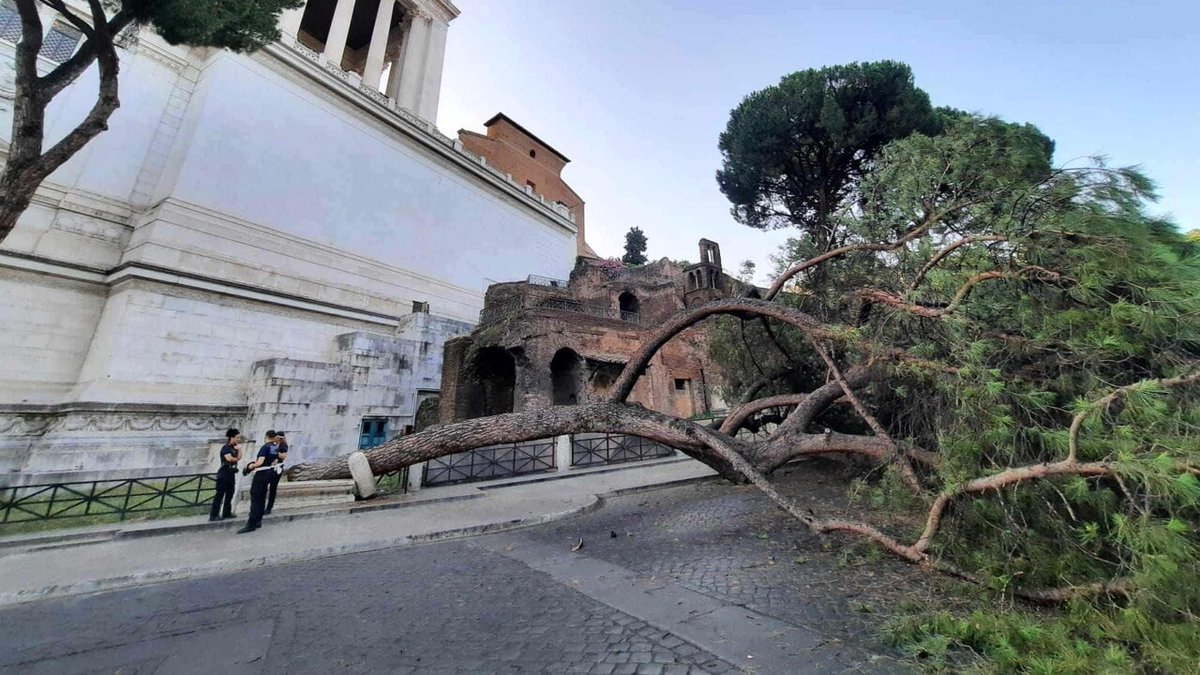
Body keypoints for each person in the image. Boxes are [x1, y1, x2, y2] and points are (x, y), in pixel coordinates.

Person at [238, 430, 281, 534]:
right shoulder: (275, 447)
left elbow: (260, 462)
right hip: (270, 472)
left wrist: (250, 466)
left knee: (256, 497)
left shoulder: (265, 447)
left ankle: (251, 523)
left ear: (266, 436)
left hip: (261, 473)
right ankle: (258, 520)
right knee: (262, 497)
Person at [209, 428, 242, 521]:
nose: (238, 440)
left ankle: (226, 512)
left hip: (231, 473)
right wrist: (235, 458)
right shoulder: (226, 448)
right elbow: (229, 459)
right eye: (237, 438)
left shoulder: (234, 448)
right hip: (224, 473)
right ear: (231, 437)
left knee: (230, 493)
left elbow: (239, 457)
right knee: (219, 494)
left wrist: (239, 450)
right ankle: (214, 515)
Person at [265, 432, 288, 515]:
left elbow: (283, 456)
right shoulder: (272, 445)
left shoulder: (283, 446)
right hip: (269, 467)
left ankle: (269, 507)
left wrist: (275, 452)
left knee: (273, 487)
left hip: (277, 467)